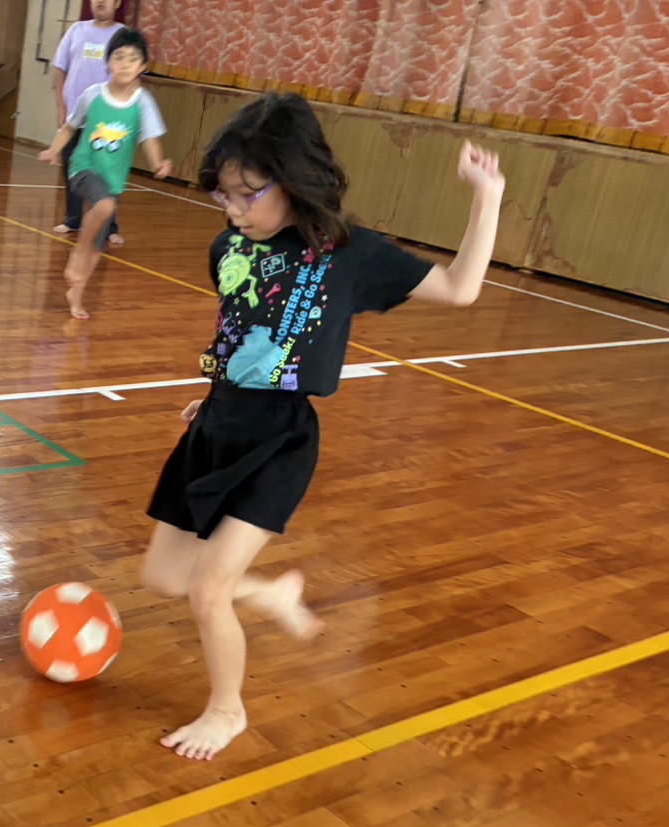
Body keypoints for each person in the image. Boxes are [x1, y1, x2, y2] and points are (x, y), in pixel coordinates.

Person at [141, 92, 505, 760]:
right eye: (223, 194)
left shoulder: (347, 255)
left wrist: (487, 197)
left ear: (292, 181)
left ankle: (227, 711)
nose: (233, 209)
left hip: (279, 439)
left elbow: (460, 289)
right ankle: (271, 594)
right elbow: (242, 333)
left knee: (207, 589)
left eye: (247, 194)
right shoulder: (228, 247)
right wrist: (217, 392)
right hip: (217, 423)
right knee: (164, 578)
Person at [39, 27, 172, 320]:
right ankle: (77, 252)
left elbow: (150, 138)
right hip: (83, 167)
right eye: (118, 57)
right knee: (104, 206)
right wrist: (53, 150)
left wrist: (157, 163)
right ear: (108, 62)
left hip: (113, 179)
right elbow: (70, 127)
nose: (124, 64)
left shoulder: (143, 102)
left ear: (143, 66)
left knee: (98, 246)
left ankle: (76, 294)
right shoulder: (93, 95)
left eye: (132, 59)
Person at [50, 0, 126, 246]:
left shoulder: (123, 35)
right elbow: (60, 70)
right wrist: (62, 108)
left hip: (108, 120)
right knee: (72, 169)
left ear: (117, 3)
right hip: (75, 117)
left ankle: (110, 226)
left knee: (107, 174)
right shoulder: (76, 31)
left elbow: (132, 77)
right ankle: (74, 219)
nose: (100, 2)